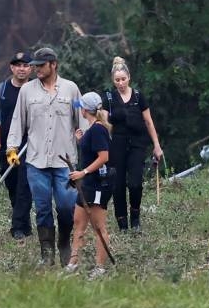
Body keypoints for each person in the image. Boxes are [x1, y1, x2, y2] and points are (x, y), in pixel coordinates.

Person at [5, 46, 86, 267]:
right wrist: (11, 149)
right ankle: (46, 251)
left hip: (65, 162)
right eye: (35, 66)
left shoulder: (71, 90)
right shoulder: (27, 92)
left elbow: (83, 118)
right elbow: (17, 121)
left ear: (54, 64)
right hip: (36, 161)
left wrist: (86, 138)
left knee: (66, 207)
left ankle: (63, 243)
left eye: (41, 66)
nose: (37, 69)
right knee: (42, 208)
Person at [102, 56, 163, 233]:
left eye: (123, 79)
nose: (120, 83)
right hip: (117, 145)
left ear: (129, 78)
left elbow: (149, 122)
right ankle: (122, 223)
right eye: (117, 80)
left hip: (137, 143)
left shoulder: (138, 96)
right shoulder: (109, 97)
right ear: (113, 81)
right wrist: (101, 120)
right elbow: (105, 124)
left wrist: (156, 145)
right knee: (118, 184)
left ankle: (135, 217)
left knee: (135, 183)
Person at [65, 92, 114, 280]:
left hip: (98, 185)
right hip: (86, 185)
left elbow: (104, 157)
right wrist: (81, 140)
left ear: (85, 110)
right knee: (78, 223)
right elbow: (92, 152)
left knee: (99, 227)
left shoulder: (99, 130)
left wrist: (83, 172)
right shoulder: (91, 129)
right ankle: (73, 263)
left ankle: (100, 267)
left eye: (81, 107)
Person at [0, 50, 33, 240]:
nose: (22, 69)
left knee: (25, 185)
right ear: (12, 68)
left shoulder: (35, 90)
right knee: (13, 186)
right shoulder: (2, 90)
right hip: (8, 148)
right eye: (18, 65)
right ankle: (24, 223)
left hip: (29, 147)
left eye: (26, 65)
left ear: (31, 69)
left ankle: (18, 229)